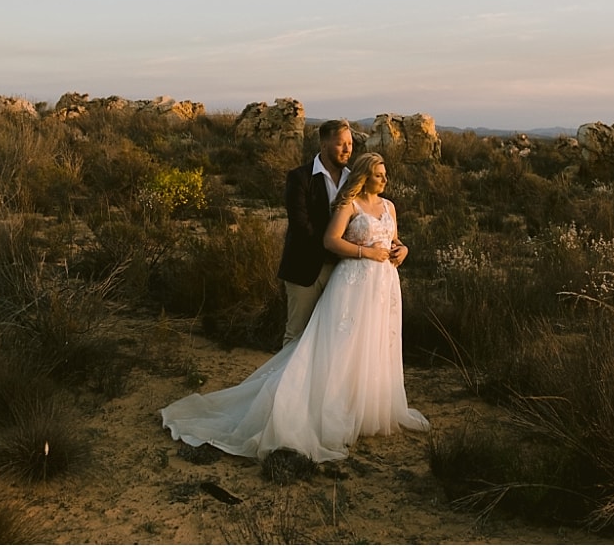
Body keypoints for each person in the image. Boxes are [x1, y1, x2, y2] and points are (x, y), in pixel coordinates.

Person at [159, 153, 429, 462]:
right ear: (365, 176)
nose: (385, 180)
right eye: (379, 174)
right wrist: (365, 253)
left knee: (374, 345)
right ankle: (331, 410)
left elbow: (393, 239)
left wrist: (403, 249)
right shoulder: (348, 205)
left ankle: (365, 407)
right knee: (342, 347)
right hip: (353, 283)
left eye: (385, 174)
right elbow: (330, 241)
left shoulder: (389, 206)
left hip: (383, 286)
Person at [278, 119, 353, 348]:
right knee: (296, 337)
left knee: (332, 338)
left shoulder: (354, 181)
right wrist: (334, 246)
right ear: (323, 145)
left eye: (350, 143)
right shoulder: (300, 177)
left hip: (342, 272)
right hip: (304, 269)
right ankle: (284, 385)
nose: (348, 149)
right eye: (341, 144)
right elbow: (301, 225)